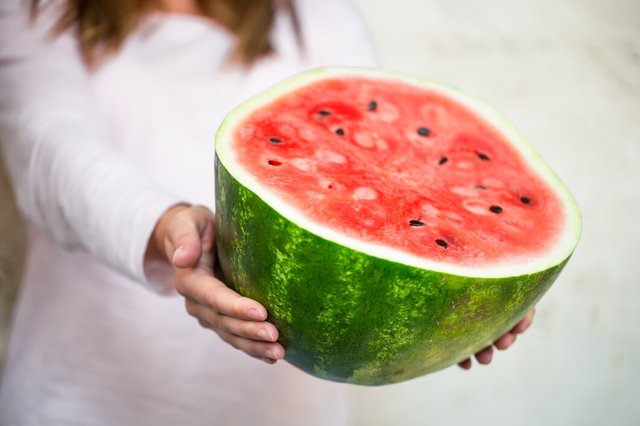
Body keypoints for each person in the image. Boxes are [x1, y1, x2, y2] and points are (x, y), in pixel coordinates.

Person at [0, 0, 535, 424]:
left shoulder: (312, 12)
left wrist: (476, 278)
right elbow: (48, 147)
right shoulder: (36, 8)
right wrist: (168, 228)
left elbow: (388, 158)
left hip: (279, 412)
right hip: (79, 396)